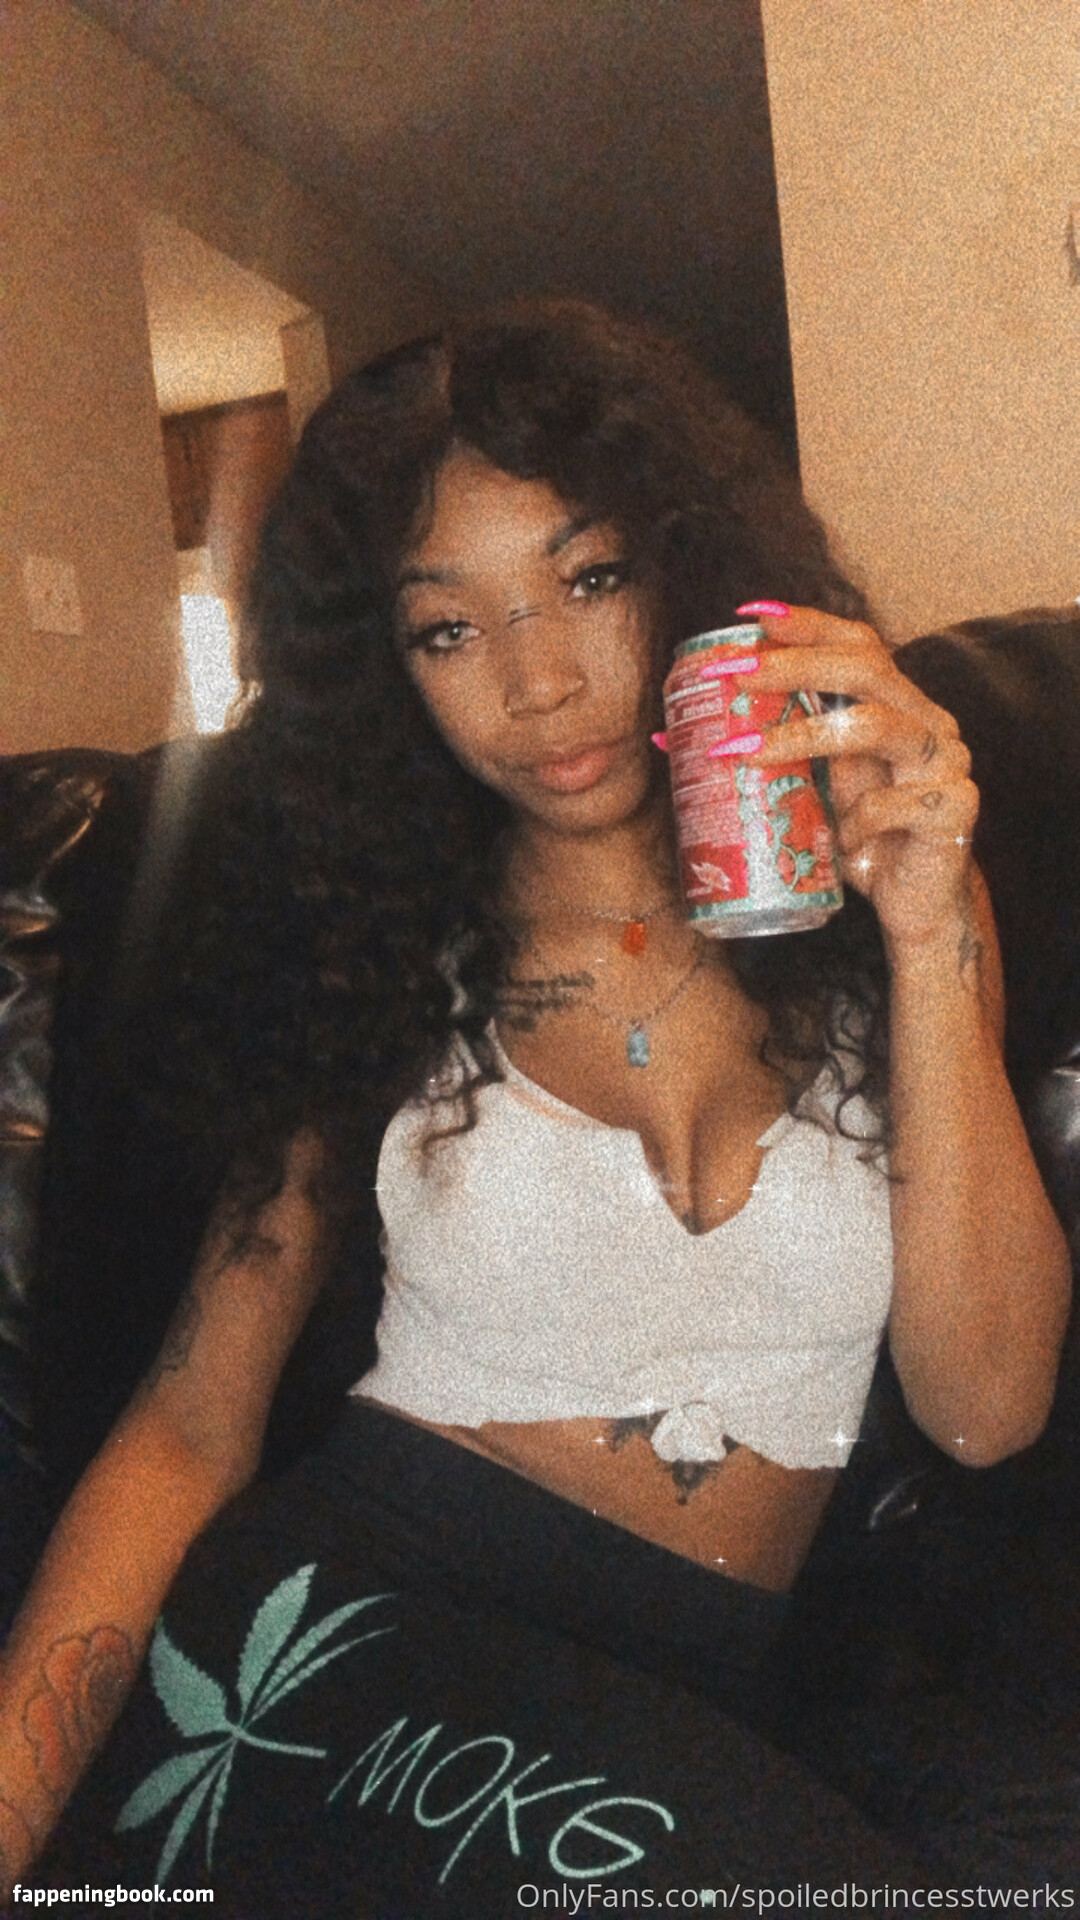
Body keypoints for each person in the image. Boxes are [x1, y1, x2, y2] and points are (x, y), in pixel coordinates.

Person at [0, 302, 1070, 1907]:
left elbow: (987, 1405)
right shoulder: (381, 941)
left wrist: (925, 940)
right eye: (448, 630)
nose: (541, 682)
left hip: (658, 1725)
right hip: (328, 1649)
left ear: (688, 571)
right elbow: (192, 1419)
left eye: (589, 579)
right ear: (388, 670)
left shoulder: (880, 899)